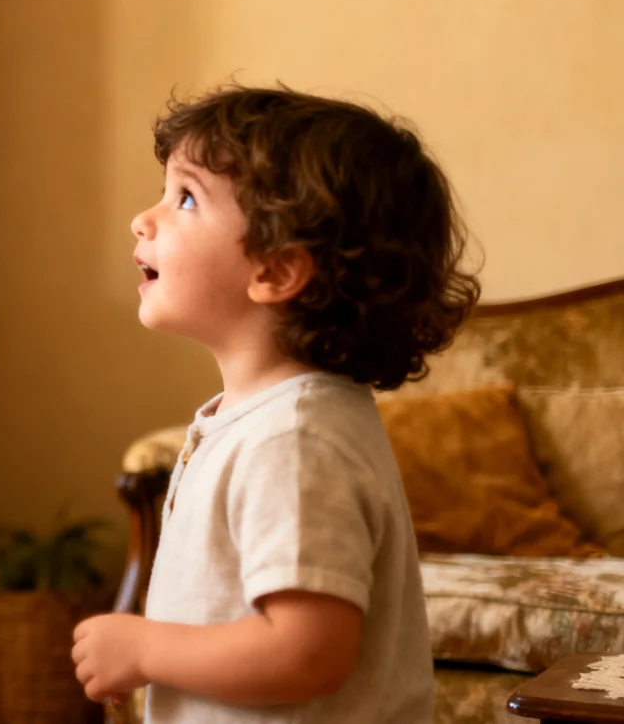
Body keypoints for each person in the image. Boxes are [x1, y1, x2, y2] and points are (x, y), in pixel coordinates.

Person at [70, 87, 479, 721]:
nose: (142, 220)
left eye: (184, 198)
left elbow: (307, 651)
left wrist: (148, 647)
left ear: (278, 270)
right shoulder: (261, 420)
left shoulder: (295, 440)